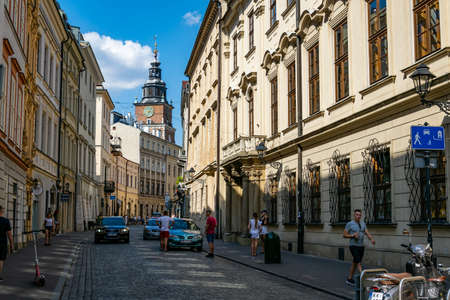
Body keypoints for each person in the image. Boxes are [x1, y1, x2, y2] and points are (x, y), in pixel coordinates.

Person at [343, 209, 375, 287]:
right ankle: (363, 277)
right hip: (353, 246)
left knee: (355, 262)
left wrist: (371, 239)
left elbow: (366, 232)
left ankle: (349, 279)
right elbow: (344, 235)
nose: (358, 216)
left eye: (359, 215)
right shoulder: (350, 224)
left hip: (361, 246)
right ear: (354, 215)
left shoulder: (363, 224)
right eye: (357, 215)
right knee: (358, 261)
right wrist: (352, 235)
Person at [0, 205, 13, 281]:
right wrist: (11, 245)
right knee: (1, 259)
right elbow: (9, 235)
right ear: (2, 211)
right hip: (2, 243)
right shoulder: (6, 221)